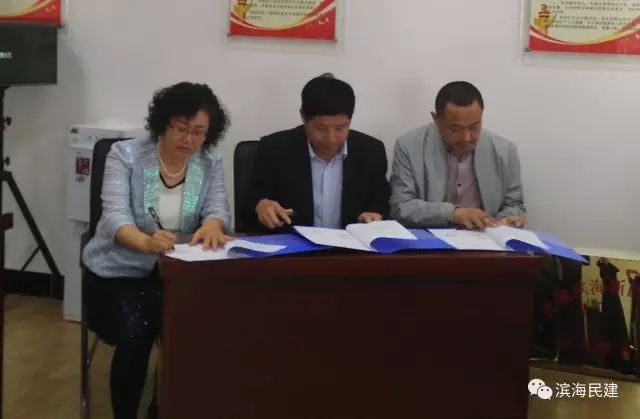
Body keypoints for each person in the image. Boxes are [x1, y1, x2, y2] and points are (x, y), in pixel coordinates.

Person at [81, 82, 232, 419]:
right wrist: (146, 243)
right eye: (181, 128)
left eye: (199, 132)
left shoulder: (210, 161)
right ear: (162, 123)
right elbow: (114, 218)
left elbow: (218, 208)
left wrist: (214, 224)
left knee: (197, 329)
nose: (189, 139)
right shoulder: (125, 155)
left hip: (178, 274)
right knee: (137, 332)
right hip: (117, 273)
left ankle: (163, 409)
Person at [241, 73, 389, 233]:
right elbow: (250, 201)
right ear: (303, 117)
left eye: (340, 128)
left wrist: (375, 215)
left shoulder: (371, 151)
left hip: (348, 246)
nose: (330, 139)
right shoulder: (274, 148)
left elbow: (381, 203)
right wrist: (261, 205)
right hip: (294, 245)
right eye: (321, 128)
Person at [389, 81, 525, 229]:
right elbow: (401, 206)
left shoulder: (505, 151)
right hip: (429, 238)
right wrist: (453, 214)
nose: (466, 138)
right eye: (455, 129)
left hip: (484, 237)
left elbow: (514, 204)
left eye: (473, 127)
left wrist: (507, 218)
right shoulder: (409, 147)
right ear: (436, 119)